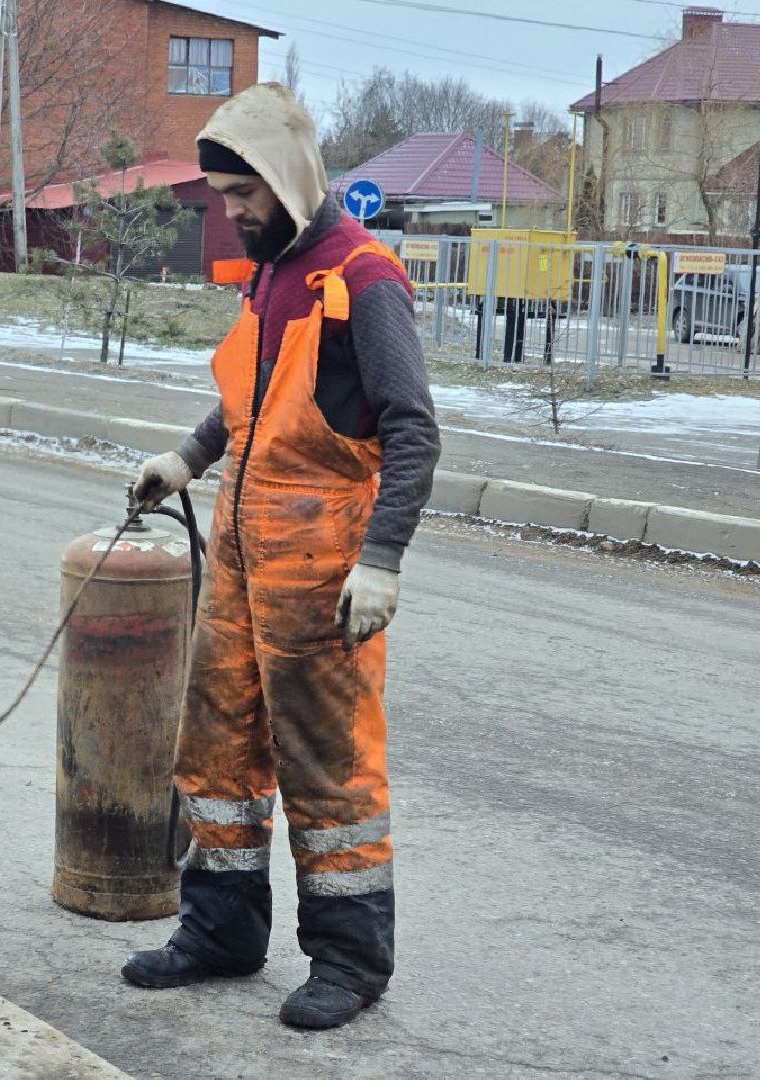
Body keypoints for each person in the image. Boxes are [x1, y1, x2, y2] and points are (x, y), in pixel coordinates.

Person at [125, 83, 440, 1030]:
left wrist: (381, 560)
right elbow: (248, 404)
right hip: (239, 561)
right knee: (216, 749)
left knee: (328, 770)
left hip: (324, 574)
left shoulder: (366, 280)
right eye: (223, 197)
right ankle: (220, 932)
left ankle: (349, 963)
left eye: (242, 195)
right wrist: (186, 458)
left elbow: (414, 433)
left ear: (286, 180)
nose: (233, 212)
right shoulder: (270, 275)